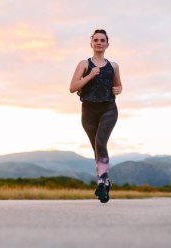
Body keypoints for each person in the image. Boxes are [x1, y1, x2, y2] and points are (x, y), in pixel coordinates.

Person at [69, 29, 122, 203]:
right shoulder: (84, 64)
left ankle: (101, 182)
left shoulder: (113, 66)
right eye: (96, 40)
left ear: (107, 44)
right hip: (88, 111)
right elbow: (72, 87)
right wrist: (90, 76)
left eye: (102, 40)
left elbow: (118, 87)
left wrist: (118, 90)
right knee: (96, 149)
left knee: (101, 143)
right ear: (91, 43)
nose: (99, 42)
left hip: (108, 109)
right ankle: (105, 181)